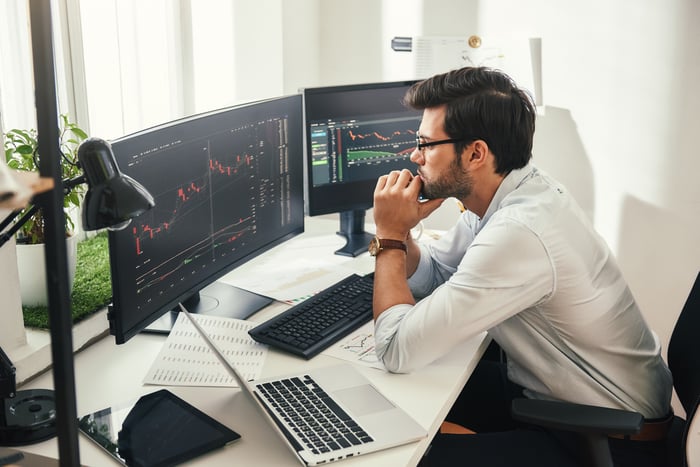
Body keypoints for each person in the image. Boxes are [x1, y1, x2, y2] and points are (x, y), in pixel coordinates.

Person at [369, 66, 673, 467]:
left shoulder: (519, 231)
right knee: (392, 395)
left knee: (409, 458)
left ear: (476, 153)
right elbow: (439, 277)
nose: (415, 156)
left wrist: (388, 238)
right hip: (563, 395)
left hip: (608, 436)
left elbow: (395, 350)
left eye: (426, 144)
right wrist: (403, 233)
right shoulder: (510, 192)